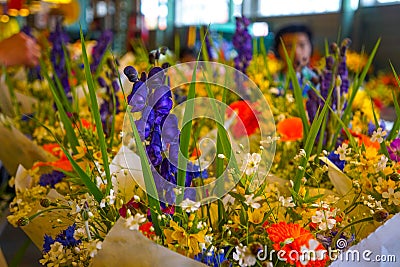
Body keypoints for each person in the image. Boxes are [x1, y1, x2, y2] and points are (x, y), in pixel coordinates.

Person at [273, 24, 319, 96]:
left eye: (302, 45)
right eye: (289, 46)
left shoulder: (319, 81)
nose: (296, 52)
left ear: (311, 47)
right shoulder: (272, 81)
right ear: (277, 50)